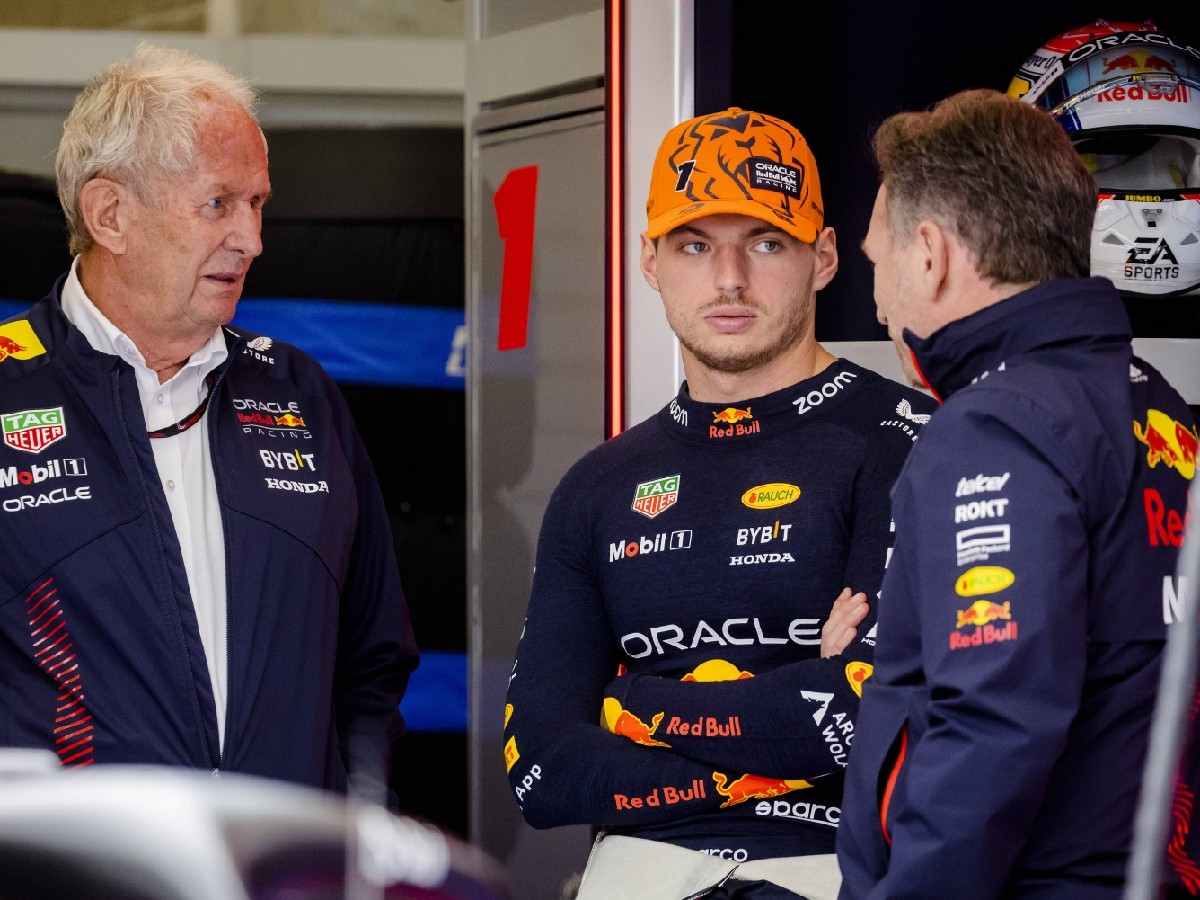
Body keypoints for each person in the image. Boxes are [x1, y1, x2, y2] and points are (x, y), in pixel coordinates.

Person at [503, 107, 936, 899]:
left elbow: (862, 709)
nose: (730, 279)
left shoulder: (907, 439)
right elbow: (541, 771)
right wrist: (778, 735)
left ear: (825, 257)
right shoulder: (597, 485)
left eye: (766, 242)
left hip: (834, 868)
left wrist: (630, 704)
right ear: (650, 260)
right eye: (695, 245)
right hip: (638, 872)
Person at [0, 45, 417, 791]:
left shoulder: (301, 393)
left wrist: (358, 826)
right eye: (218, 203)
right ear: (110, 214)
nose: (251, 239)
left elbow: (372, 662)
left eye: (257, 203)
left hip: (285, 867)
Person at [838, 89, 1197, 898]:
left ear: (928, 254)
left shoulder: (998, 426)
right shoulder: (1156, 407)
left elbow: (993, 722)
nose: (879, 301)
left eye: (876, 263)